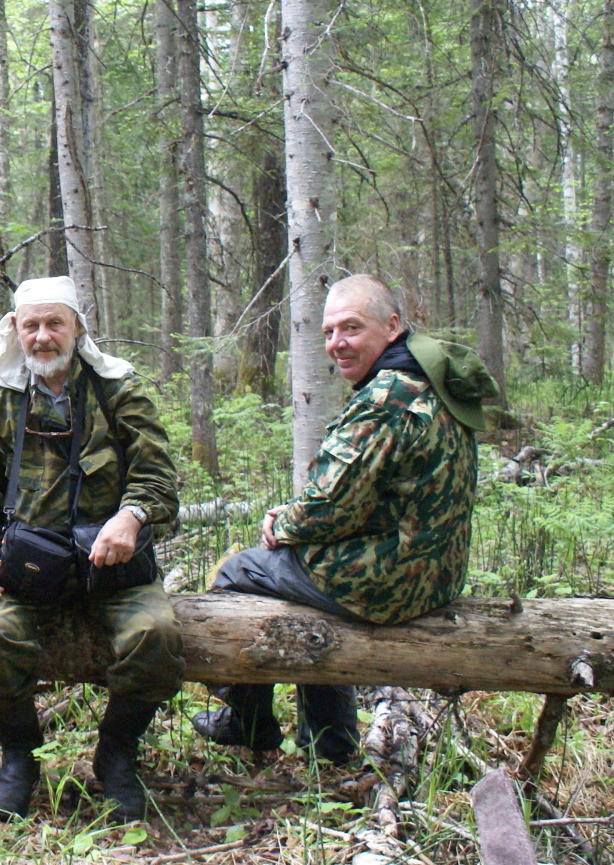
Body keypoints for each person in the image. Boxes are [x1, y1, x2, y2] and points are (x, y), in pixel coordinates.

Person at [191, 274, 496, 763]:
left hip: (393, 582)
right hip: (436, 573)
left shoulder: (388, 397)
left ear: (391, 326)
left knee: (238, 571)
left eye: (352, 328)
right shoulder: (429, 379)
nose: (337, 343)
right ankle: (329, 742)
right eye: (329, 332)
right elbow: (370, 495)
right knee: (308, 591)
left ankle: (247, 721)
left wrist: (281, 524)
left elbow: (332, 507)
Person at [0, 277, 184, 823]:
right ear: (16, 331)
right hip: (29, 568)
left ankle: (117, 756)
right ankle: (20, 757)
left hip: (113, 566)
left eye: (54, 323)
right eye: (30, 326)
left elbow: (158, 479)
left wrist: (130, 517)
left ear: (77, 327)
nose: (42, 337)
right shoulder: (1, 402)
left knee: (156, 635)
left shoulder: (118, 391)